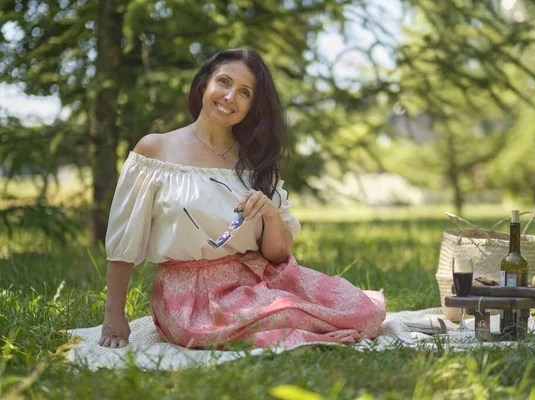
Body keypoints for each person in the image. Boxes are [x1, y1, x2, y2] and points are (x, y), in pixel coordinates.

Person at [99, 49, 386, 349]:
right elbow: (124, 242)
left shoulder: (254, 161)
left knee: (361, 311)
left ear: (252, 107)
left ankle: (302, 319)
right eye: (224, 82)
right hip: (191, 299)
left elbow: (277, 254)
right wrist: (114, 318)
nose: (229, 97)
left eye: (244, 92)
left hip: (259, 281)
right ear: (203, 84)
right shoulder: (156, 150)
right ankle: (299, 324)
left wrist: (270, 213)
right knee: (290, 313)